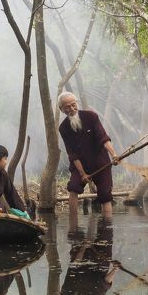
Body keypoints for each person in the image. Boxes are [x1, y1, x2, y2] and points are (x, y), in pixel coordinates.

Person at [57, 92, 119, 220]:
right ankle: (73, 227)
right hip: (80, 164)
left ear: (77, 103)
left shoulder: (91, 116)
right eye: (67, 107)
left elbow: (103, 138)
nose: (72, 109)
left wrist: (114, 154)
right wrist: (82, 173)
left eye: (73, 105)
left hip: (100, 161)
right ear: (61, 109)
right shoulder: (63, 128)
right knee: (73, 188)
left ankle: (106, 227)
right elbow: (72, 153)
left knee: (105, 195)